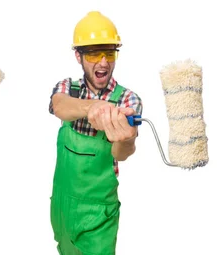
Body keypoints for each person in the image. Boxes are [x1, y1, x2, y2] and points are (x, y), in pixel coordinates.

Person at [48, 11, 143, 254]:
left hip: (98, 215)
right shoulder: (68, 87)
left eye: (109, 52)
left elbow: (122, 154)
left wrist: (127, 138)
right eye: (93, 53)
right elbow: (59, 105)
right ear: (78, 56)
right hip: (62, 207)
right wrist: (93, 107)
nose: (103, 62)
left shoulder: (127, 100)